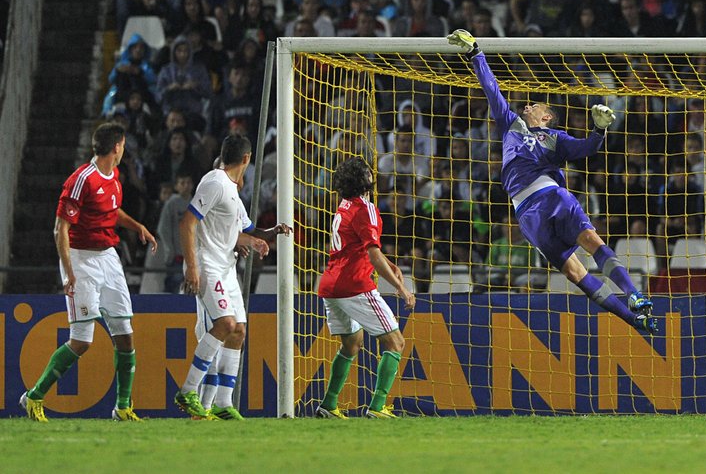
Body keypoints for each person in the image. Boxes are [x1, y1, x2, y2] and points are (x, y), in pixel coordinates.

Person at [446, 29, 657, 333]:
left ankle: (635, 294)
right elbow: (492, 89)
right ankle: (632, 318)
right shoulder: (511, 126)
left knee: (591, 241)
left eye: (536, 106)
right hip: (526, 214)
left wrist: (598, 131)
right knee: (574, 273)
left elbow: (586, 149)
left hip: (551, 197)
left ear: (546, 118)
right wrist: (475, 53)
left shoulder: (554, 138)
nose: (527, 107)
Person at [20, 123, 158, 422]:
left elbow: (111, 211)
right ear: (118, 146)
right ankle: (34, 396)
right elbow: (61, 228)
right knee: (82, 340)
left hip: (108, 257)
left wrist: (138, 227)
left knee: (125, 335)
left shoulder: (114, 178)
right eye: (123, 146)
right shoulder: (81, 179)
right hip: (81, 259)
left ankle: (122, 407)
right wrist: (69, 273)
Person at [173, 135, 291, 420]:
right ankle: (188, 390)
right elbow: (187, 223)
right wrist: (192, 267)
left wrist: (270, 234)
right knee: (224, 324)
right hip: (208, 266)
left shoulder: (233, 194)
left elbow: (247, 230)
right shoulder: (214, 181)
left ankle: (224, 403)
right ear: (247, 159)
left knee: (238, 330)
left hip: (227, 268)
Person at [315, 156, 416, 419]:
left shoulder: (343, 206)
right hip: (354, 286)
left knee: (352, 343)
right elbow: (371, 254)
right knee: (395, 342)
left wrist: (389, 263)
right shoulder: (366, 207)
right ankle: (378, 406)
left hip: (330, 286)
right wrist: (402, 289)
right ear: (368, 182)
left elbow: (358, 247)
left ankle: (328, 404)